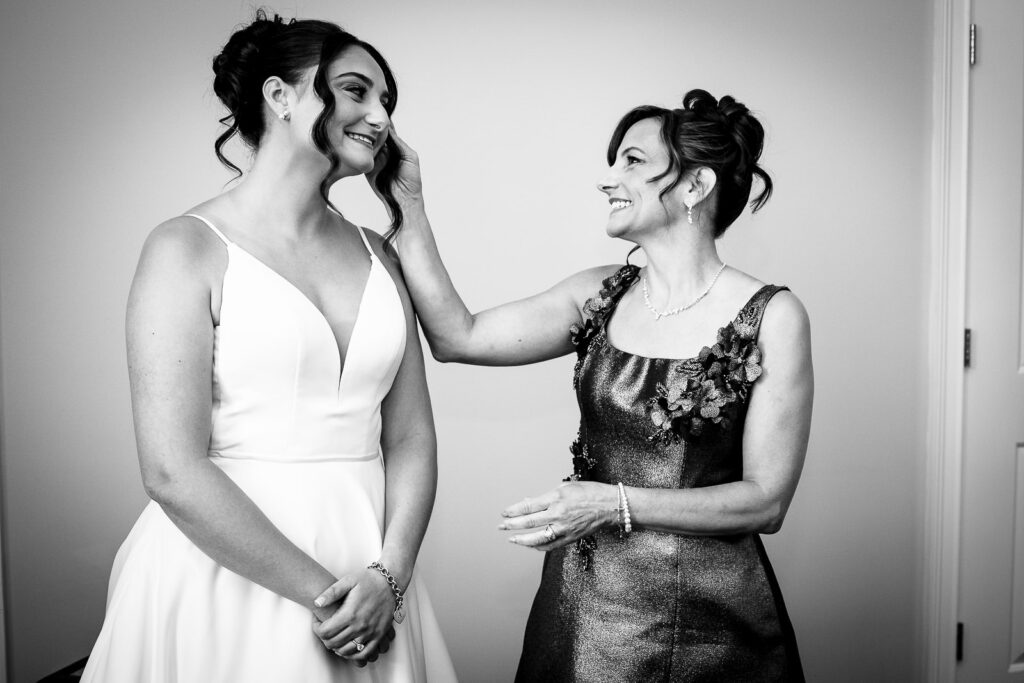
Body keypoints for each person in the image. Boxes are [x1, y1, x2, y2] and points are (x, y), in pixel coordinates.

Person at [369, 89, 812, 681]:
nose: (610, 179)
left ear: (695, 187)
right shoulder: (597, 295)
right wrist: (410, 203)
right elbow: (458, 337)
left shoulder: (774, 316)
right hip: (587, 604)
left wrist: (613, 502)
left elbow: (767, 500)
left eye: (632, 161)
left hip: (718, 617)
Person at [81, 11, 456, 682]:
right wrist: (331, 598)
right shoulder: (184, 248)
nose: (380, 117)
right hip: (232, 576)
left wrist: (388, 578)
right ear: (280, 96)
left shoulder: (379, 256)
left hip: (373, 569)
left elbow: (411, 438)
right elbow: (171, 468)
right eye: (356, 90)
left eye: (387, 102)